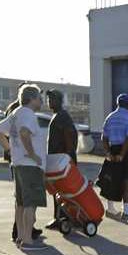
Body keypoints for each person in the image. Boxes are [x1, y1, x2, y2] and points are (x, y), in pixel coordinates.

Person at [0, 84, 48, 251]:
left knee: (21, 203)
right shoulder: (28, 114)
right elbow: (24, 133)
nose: (42, 101)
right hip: (30, 166)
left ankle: (21, 237)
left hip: (18, 164)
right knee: (30, 203)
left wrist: (10, 149)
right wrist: (32, 154)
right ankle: (28, 241)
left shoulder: (16, 113)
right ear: (31, 99)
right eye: (39, 98)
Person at [43, 89, 78, 229]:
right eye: (48, 99)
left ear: (60, 101)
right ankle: (59, 217)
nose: (50, 102)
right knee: (57, 191)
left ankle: (64, 219)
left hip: (63, 162)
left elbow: (70, 136)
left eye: (53, 99)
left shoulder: (63, 116)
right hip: (57, 160)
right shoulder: (57, 115)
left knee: (64, 191)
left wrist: (67, 159)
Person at [99, 93, 128, 217]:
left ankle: (110, 208)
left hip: (113, 148)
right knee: (127, 180)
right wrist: (122, 154)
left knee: (112, 179)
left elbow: (104, 138)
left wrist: (108, 153)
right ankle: (126, 209)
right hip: (126, 150)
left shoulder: (110, 117)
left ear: (117, 103)